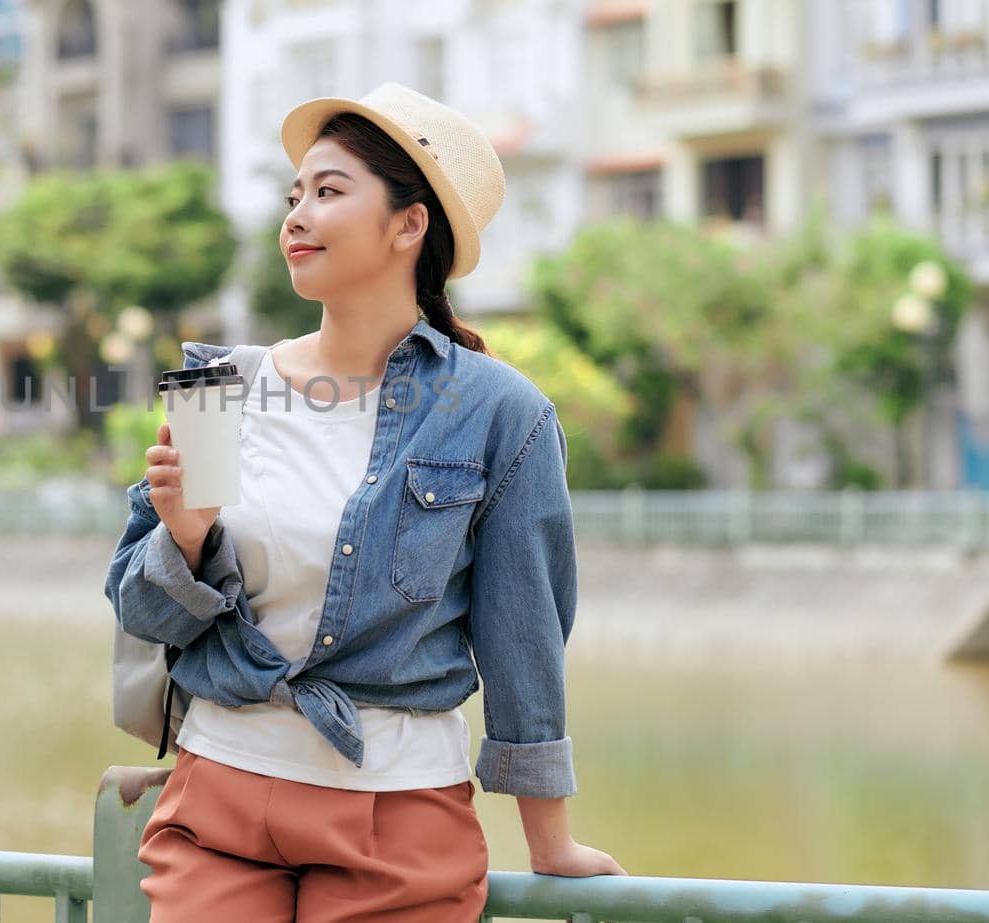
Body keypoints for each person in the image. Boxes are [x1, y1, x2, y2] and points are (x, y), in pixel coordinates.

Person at [105, 82, 625, 921]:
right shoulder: (215, 388)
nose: (297, 215)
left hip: (398, 815)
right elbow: (137, 610)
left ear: (408, 225)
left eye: (330, 191)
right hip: (219, 799)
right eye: (294, 194)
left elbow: (524, 634)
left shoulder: (501, 413)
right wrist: (189, 543)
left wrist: (549, 841)